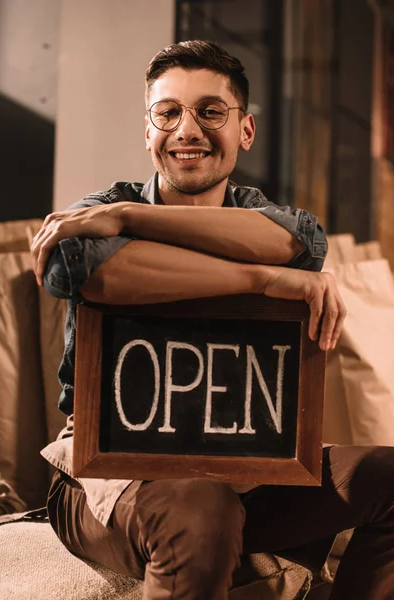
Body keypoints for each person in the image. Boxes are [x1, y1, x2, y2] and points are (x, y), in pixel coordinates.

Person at [31, 40, 394, 600]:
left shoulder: (240, 218)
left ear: (245, 131)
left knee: (387, 476)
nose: (187, 129)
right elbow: (83, 271)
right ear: (147, 130)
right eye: (168, 112)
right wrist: (261, 279)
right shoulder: (99, 209)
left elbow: (299, 242)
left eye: (210, 111)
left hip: (246, 465)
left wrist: (128, 221)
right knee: (203, 503)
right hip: (112, 469)